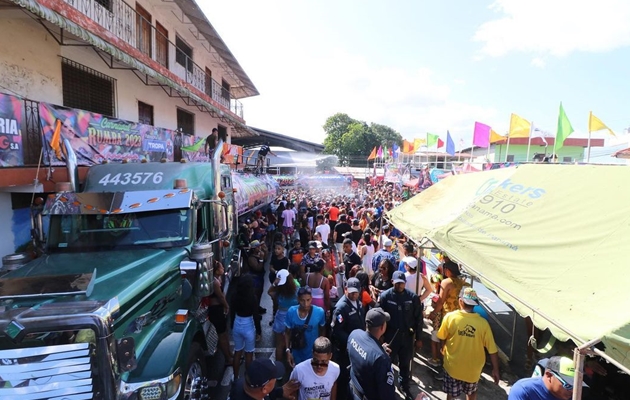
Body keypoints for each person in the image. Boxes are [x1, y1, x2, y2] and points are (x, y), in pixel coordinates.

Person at [437, 287, 501, 400]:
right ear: (475, 304)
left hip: (452, 367)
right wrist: (495, 370)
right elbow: (492, 349)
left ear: (460, 301)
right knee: (471, 394)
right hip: (473, 370)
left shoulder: (450, 317)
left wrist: (443, 348)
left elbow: (441, 337)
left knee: (450, 394)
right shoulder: (483, 324)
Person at [377, 271, 424, 400]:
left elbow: (419, 319)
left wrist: (419, 338)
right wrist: (379, 336)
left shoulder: (412, 297)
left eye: (401, 283)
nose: (399, 286)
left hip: (407, 337)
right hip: (390, 336)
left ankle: (404, 386)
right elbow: (378, 314)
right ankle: (387, 386)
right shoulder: (386, 296)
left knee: (405, 363)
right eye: (397, 283)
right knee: (387, 363)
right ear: (392, 282)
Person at [347, 308, 396, 400]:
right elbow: (387, 395)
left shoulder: (354, 334)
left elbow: (365, 354)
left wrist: (380, 349)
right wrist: (380, 353)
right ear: (382, 327)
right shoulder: (381, 359)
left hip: (352, 390)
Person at [330, 278, 365, 400]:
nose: (354, 294)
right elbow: (337, 331)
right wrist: (352, 341)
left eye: (356, 292)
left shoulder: (358, 303)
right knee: (343, 377)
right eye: (351, 292)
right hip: (345, 349)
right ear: (345, 290)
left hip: (357, 348)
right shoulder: (341, 308)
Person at [508, 356, 587, 400]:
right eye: (568, 385)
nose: (573, 391)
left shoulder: (571, 397)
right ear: (549, 375)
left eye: (576, 387)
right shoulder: (523, 390)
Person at [285, 287, 327, 367]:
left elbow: (322, 330)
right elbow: (287, 332)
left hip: (312, 354)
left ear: (311, 298)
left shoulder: (320, 312)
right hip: (296, 353)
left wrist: (321, 349)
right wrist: (288, 351)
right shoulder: (291, 312)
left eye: (308, 300)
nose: (305, 304)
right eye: (302, 300)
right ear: (298, 299)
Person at [231, 275, 259, 382]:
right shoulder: (253, 297)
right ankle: (248, 378)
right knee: (249, 354)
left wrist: (232, 325)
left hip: (237, 323)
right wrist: (259, 331)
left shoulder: (234, 296)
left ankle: (236, 377)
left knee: (237, 352)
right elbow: (256, 316)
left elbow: (232, 312)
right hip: (249, 326)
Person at [229, 358, 300, 400]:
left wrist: (280, 392)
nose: (275, 380)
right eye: (274, 378)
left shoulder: (238, 384)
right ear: (264, 389)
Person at [268, 269, 299, 362]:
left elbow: (269, 292)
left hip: (281, 319)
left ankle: (279, 370)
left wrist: (274, 284)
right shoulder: (297, 290)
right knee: (294, 343)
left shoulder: (278, 292)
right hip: (294, 317)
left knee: (279, 345)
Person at [208, 260, 233, 366]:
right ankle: (227, 358)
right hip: (216, 310)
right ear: (217, 271)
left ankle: (230, 353)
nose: (223, 268)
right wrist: (227, 306)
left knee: (225, 333)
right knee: (221, 335)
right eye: (221, 267)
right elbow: (221, 296)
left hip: (219, 308)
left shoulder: (218, 279)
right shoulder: (214, 282)